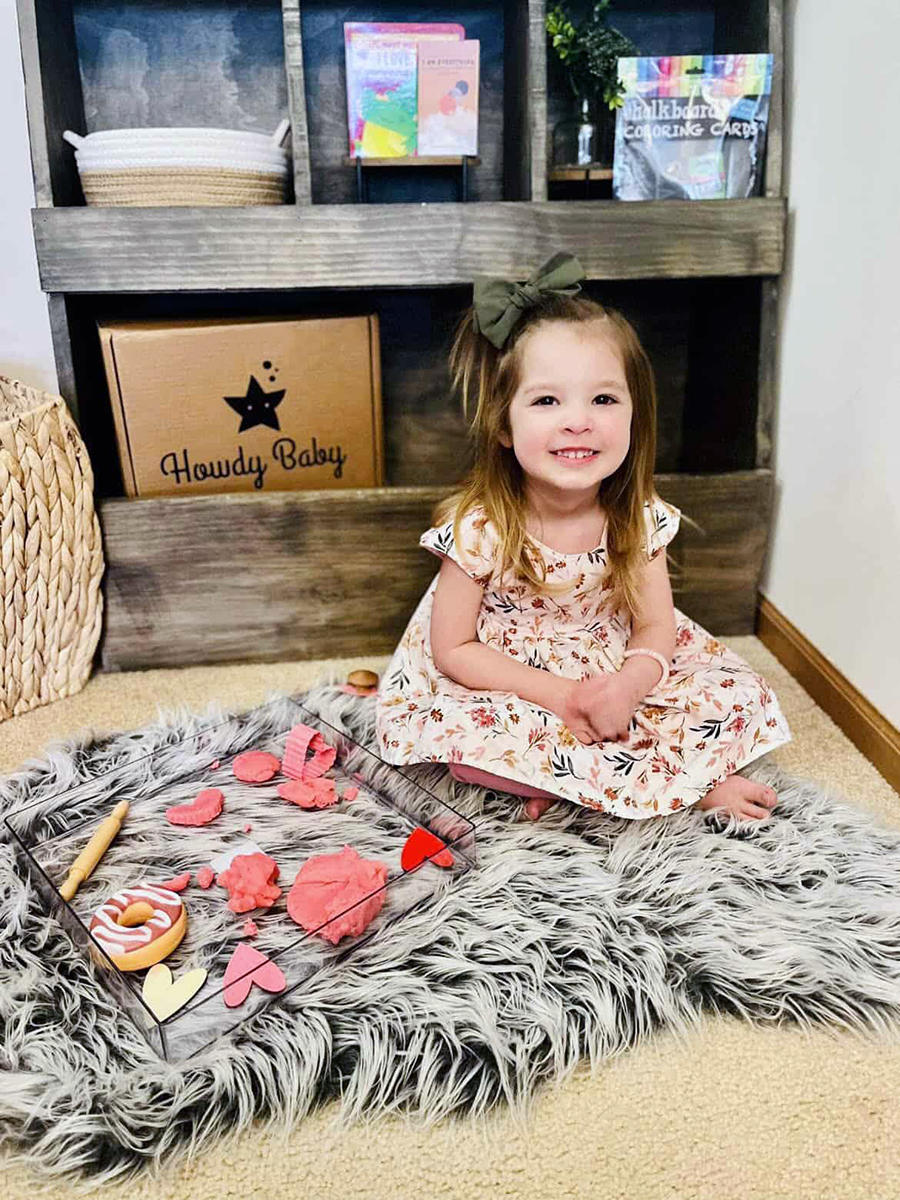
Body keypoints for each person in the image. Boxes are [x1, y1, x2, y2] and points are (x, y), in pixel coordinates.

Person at [374, 252, 792, 823]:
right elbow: (453, 650)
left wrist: (628, 683)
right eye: (547, 400)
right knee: (464, 739)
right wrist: (560, 697)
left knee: (730, 692)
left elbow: (654, 626)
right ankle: (604, 776)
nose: (579, 420)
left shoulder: (636, 517)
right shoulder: (482, 526)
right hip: (509, 669)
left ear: (633, 416)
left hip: (609, 653)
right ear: (503, 424)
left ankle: (674, 781)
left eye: (603, 399)